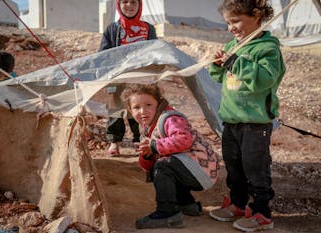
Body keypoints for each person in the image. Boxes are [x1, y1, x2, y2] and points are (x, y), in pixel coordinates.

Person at [207, 0, 286, 232]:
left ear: (257, 15)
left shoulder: (267, 49)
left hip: (255, 123)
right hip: (232, 121)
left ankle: (261, 213)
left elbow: (264, 80)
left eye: (236, 21)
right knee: (234, 167)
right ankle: (238, 205)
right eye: (228, 23)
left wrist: (233, 61)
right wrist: (217, 64)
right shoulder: (234, 45)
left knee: (255, 168)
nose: (231, 27)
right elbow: (221, 78)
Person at [120, 83, 219, 229]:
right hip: (194, 170)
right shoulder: (147, 128)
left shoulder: (169, 118)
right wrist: (147, 155)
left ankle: (167, 213)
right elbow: (149, 166)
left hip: (201, 171)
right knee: (162, 165)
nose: (143, 111)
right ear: (129, 110)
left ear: (158, 103)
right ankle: (187, 204)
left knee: (163, 166)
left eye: (148, 105)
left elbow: (183, 140)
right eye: (136, 107)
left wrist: (154, 146)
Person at [98, 0, 157, 156]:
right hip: (118, 78)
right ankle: (114, 142)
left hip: (139, 79)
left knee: (139, 109)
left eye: (133, 2)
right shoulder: (112, 29)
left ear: (140, 5)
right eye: (125, 1)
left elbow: (154, 51)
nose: (129, 5)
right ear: (118, 5)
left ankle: (141, 141)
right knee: (116, 110)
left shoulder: (148, 29)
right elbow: (103, 54)